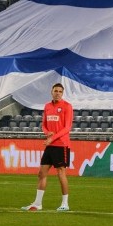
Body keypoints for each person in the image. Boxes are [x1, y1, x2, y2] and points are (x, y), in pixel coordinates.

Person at [22, 83, 74, 212]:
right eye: (55, 90)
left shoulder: (67, 106)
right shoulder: (47, 106)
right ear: (51, 92)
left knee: (61, 173)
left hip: (61, 144)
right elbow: (44, 125)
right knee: (41, 173)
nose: (57, 93)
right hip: (50, 145)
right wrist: (47, 133)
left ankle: (65, 203)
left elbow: (67, 128)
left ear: (62, 93)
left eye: (60, 91)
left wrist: (52, 137)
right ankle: (38, 203)